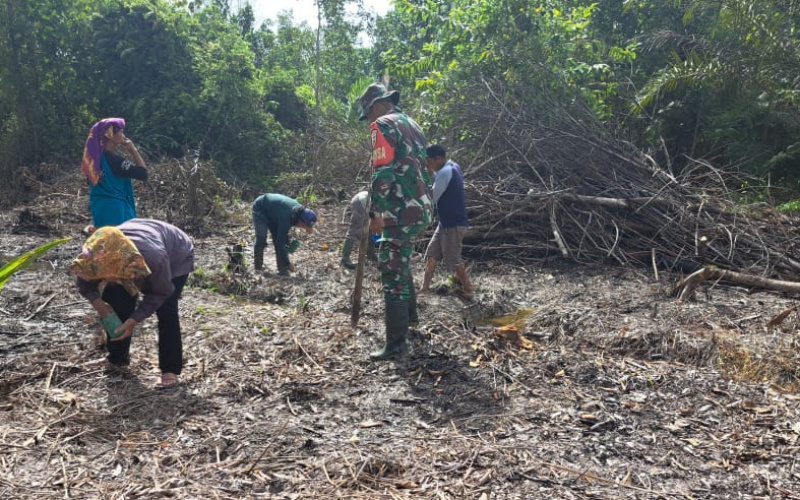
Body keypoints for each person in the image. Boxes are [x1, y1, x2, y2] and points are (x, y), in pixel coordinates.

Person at [70, 219, 195, 389]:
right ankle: (117, 358)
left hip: (176, 252)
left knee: (166, 310)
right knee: (115, 296)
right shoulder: (93, 253)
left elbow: (161, 292)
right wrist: (98, 302)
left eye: (113, 273)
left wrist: (134, 319)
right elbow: (85, 281)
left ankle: (170, 370)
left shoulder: (154, 259)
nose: (109, 278)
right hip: (142, 238)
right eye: (106, 274)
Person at [357, 82, 432, 360]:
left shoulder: (382, 125)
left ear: (379, 105)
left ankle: (396, 344)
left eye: (369, 113)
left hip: (400, 210)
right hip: (422, 207)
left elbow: (383, 171)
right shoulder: (413, 124)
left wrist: (376, 212)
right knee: (400, 261)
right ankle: (410, 320)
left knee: (391, 268)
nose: (369, 120)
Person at [419, 144, 473, 300]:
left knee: (454, 259)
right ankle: (424, 288)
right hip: (446, 222)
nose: (429, 166)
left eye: (430, 162)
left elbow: (432, 197)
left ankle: (468, 289)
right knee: (432, 254)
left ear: (439, 159)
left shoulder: (444, 172)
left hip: (453, 223)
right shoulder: (453, 166)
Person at [81, 118, 148, 228]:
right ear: (111, 135)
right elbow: (143, 174)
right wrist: (133, 150)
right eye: (121, 132)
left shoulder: (93, 162)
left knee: (103, 238)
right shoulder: (115, 161)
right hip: (117, 213)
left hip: (99, 209)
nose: (124, 135)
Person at [251, 193, 317, 275]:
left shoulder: (299, 212)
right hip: (261, 207)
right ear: (300, 220)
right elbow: (280, 243)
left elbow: (282, 236)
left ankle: (282, 270)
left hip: (274, 213)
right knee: (261, 238)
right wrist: (288, 263)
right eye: (304, 226)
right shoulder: (287, 217)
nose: (303, 228)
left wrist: (287, 241)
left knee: (278, 239)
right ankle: (258, 268)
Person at [341, 190, 377, 270]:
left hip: (365, 202)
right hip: (361, 201)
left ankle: (370, 254)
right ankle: (345, 258)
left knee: (371, 230)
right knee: (355, 229)